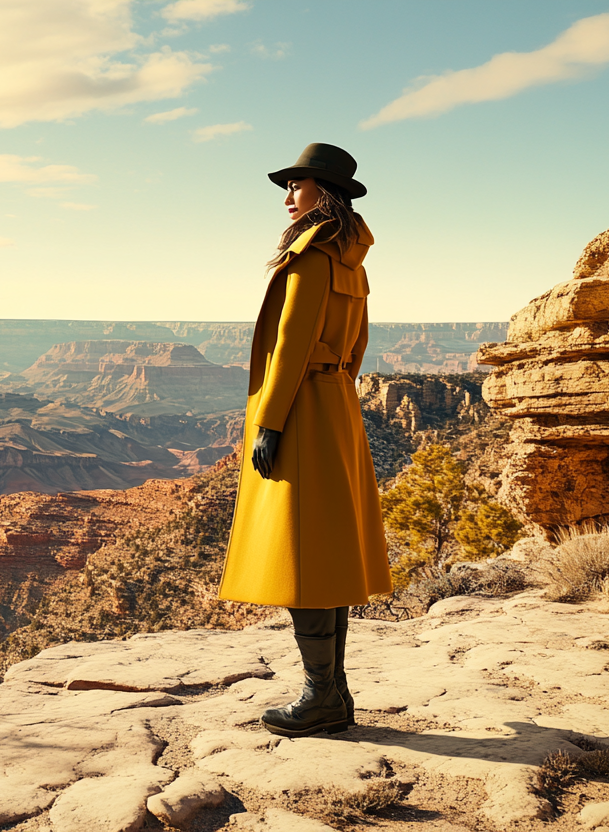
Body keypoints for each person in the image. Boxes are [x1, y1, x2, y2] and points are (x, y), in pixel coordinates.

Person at [218, 142, 392, 738]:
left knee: (304, 557)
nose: (288, 198)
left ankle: (321, 698)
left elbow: (290, 342)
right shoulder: (352, 260)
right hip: (336, 403)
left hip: (301, 410)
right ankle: (334, 697)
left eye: (298, 186)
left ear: (328, 194)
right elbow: (359, 345)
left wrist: (270, 421)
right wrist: (335, 390)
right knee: (326, 551)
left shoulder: (311, 257)